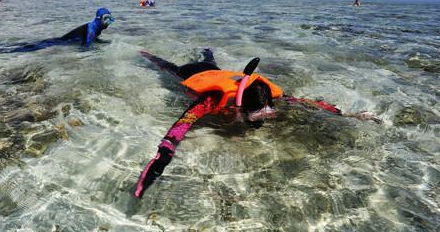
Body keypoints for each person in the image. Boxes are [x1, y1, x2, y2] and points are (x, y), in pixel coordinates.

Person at [134, 49, 382, 198]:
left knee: (211, 60)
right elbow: (174, 134)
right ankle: (146, 54)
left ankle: (208, 51)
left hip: (215, 69)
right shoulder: (210, 100)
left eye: (267, 114)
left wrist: (347, 115)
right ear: (241, 108)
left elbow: (308, 103)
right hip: (193, 72)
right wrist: (154, 170)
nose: (261, 122)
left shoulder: (267, 93)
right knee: (166, 67)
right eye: (256, 117)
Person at [0, 8, 114, 54]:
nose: (108, 23)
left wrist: (102, 43)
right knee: (22, 49)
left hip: (59, 39)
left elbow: (92, 39)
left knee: (28, 45)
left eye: (110, 20)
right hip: (60, 42)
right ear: (99, 18)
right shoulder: (92, 29)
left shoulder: (95, 27)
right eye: (106, 19)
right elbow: (86, 46)